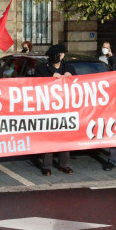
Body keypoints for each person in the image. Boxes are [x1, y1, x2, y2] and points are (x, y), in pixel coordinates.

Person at [33, 44, 76, 174]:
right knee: (49, 137)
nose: (57, 57)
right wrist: (50, 78)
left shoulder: (69, 68)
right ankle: (47, 166)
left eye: (59, 54)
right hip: (48, 109)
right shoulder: (41, 68)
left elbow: (78, 86)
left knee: (64, 137)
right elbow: (35, 85)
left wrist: (71, 77)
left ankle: (64, 164)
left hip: (65, 109)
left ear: (63, 55)